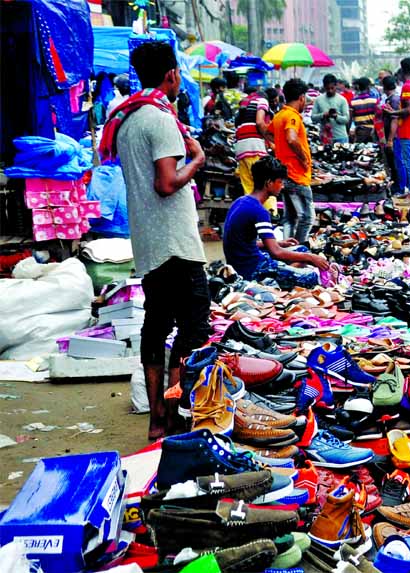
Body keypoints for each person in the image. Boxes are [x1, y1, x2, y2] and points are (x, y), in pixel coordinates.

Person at [102, 42, 209, 440]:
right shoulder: (159, 120)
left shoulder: (127, 120)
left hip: (149, 243)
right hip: (175, 243)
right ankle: (179, 414)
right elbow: (166, 183)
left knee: (156, 326)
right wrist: (196, 160)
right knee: (194, 329)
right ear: (171, 74)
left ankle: (157, 420)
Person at [223, 156, 328, 289]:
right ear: (269, 183)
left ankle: (283, 274)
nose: (282, 186)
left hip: (238, 262)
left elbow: (243, 243)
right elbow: (276, 252)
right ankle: (276, 280)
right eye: (280, 182)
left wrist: (279, 242)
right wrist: (311, 258)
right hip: (251, 269)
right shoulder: (259, 211)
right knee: (311, 277)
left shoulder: (241, 201)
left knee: (302, 250)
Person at [270, 79, 314, 244]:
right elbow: (291, 138)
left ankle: (288, 249)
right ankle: (299, 251)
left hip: (284, 173)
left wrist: (278, 148)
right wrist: (303, 158)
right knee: (307, 217)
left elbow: (267, 132)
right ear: (302, 97)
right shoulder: (292, 116)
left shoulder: (279, 115)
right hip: (296, 173)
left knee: (290, 217)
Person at [384, 57, 410, 203]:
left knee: (409, 161)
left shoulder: (407, 87)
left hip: (407, 129)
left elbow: (409, 109)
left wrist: (392, 112)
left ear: (401, 71)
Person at [234, 86, 274, 211]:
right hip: (254, 146)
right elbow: (260, 122)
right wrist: (271, 141)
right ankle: (270, 215)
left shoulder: (244, 104)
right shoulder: (262, 101)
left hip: (241, 148)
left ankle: (252, 217)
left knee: (249, 188)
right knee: (266, 184)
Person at [312, 74, 350, 144]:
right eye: (327, 88)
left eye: (332, 88)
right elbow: (313, 117)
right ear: (324, 87)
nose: (330, 90)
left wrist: (336, 116)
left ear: (336, 86)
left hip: (340, 137)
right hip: (325, 137)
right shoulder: (318, 100)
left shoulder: (342, 100)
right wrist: (323, 115)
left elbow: (346, 119)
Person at [378, 75, 401, 191]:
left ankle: (398, 186)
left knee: (395, 162)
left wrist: (390, 139)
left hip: (394, 137)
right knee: (392, 162)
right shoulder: (390, 99)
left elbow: (394, 120)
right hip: (391, 136)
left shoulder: (394, 100)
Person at [350, 77, 378, 143]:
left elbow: (350, 119)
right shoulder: (375, 101)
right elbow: (378, 118)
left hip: (360, 132)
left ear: (358, 87)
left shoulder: (353, 102)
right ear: (368, 87)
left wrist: (348, 130)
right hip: (373, 131)